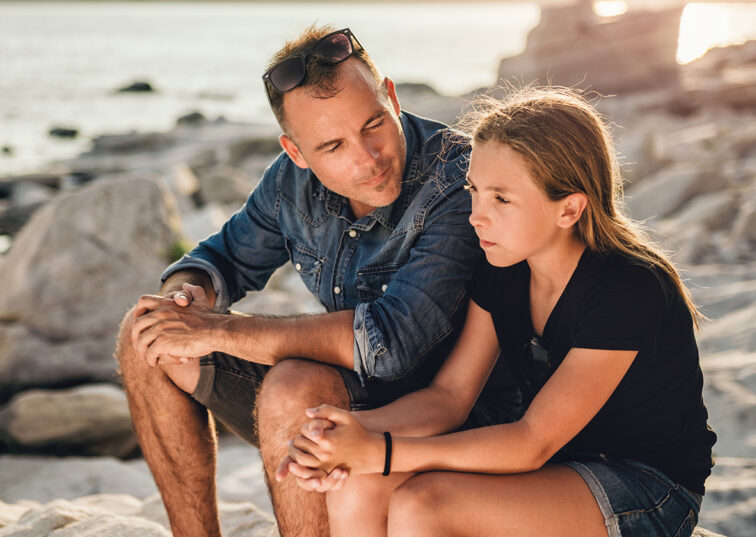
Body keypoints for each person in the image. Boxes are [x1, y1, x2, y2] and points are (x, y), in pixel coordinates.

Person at [115, 25, 521, 537]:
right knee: (146, 330)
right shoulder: (290, 182)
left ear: (391, 97)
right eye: (333, 146)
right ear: (297, 152)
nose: (367, 157)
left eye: (374, 124)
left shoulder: (459, 180)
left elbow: (390, 343)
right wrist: (190, 295)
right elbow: (224, 256)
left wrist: (216, 332)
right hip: (345, 401)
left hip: (449, 426)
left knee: (295, 387)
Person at [283, 87, 717, 537]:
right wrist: (349, 432)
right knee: (359, 483)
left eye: (501, 199)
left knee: (424, 505)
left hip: (647, 485)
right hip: (560, 465)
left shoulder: (628, 287)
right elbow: (450, 397)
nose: (476, 216)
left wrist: (383, 451)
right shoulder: (504, 269)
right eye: (474, 190)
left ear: (568, 208)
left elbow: (531, 440)